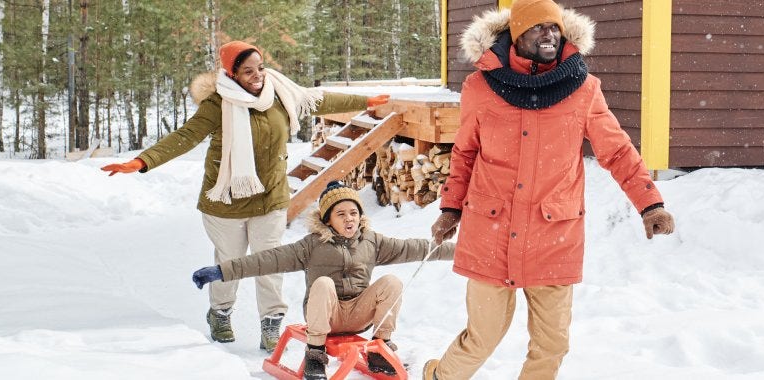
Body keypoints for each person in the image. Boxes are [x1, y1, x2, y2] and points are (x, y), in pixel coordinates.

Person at [422, 1, 676, 379]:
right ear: (517, 35)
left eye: (554, 27)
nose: (549, 34)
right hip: (490, 230)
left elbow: (618, 151)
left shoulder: (584, 89)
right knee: (482, 337)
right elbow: (465, 153)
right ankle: (437, 376)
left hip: (554, 235)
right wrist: (450, 208)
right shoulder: (480, 86)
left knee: (552, 344)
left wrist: (650, 203)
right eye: (539, 27)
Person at [100, 40, 390, 352]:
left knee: (271, 261)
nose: (257, 75)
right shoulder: (217, 104)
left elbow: (316, 99)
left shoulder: (279, 93)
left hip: (270, 198)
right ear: (232, 74)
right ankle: (220, 312)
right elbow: (185, 136)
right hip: (226, 202)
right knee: (231, 261)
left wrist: (365, 100)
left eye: (260, 68)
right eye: (248, 71)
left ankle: (271, 322)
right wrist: (143, 161)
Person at [192, 180, 455, 380]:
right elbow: (267, 259)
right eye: (341, 214)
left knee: (391, 282)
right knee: (323, 283)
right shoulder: (311, 245)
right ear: (328, 219)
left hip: (358, 314)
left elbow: (416, 248)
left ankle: (379, 349)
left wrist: (462, 253)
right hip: (325, 316)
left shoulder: (372, 242)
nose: (349, 218)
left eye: (353, 212)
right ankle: (315, 354)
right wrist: (221, 271)